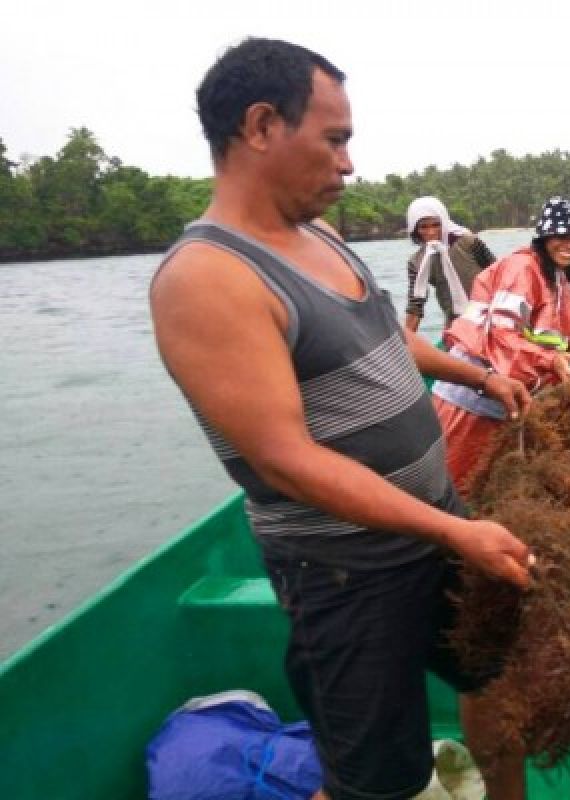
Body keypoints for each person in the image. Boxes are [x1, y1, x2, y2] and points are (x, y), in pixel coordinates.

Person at [148, 38, 531, 800]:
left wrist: (482, 373)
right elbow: (283, 460)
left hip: (432, 524)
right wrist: (457, 532)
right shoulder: (207, 278)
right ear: (260, 126)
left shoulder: (322, 237)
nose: (349, 163)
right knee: (377, 780)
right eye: (335, 139)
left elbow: (393, 341)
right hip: (348, 576)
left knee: (499, 679)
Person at [432, 196, 570, 492]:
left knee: (488, 488)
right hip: (469, 399)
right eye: (561, 236)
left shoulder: (557, 280)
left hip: (504, 400)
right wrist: (550, 361)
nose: (569, 245)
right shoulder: (522, 269)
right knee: (455, 489)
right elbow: (501, 337)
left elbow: (569, 327)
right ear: (545, 235)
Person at [404, 196, 496, 332]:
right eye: (423, 227)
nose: (431, 232)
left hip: (490, 315)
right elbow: (415, 307)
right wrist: (404, 345)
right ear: (415, 229)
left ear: (444, 222)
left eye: (436, 224)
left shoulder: (468, 242)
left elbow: (498, 272)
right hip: (455, 323)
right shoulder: (417, 262)